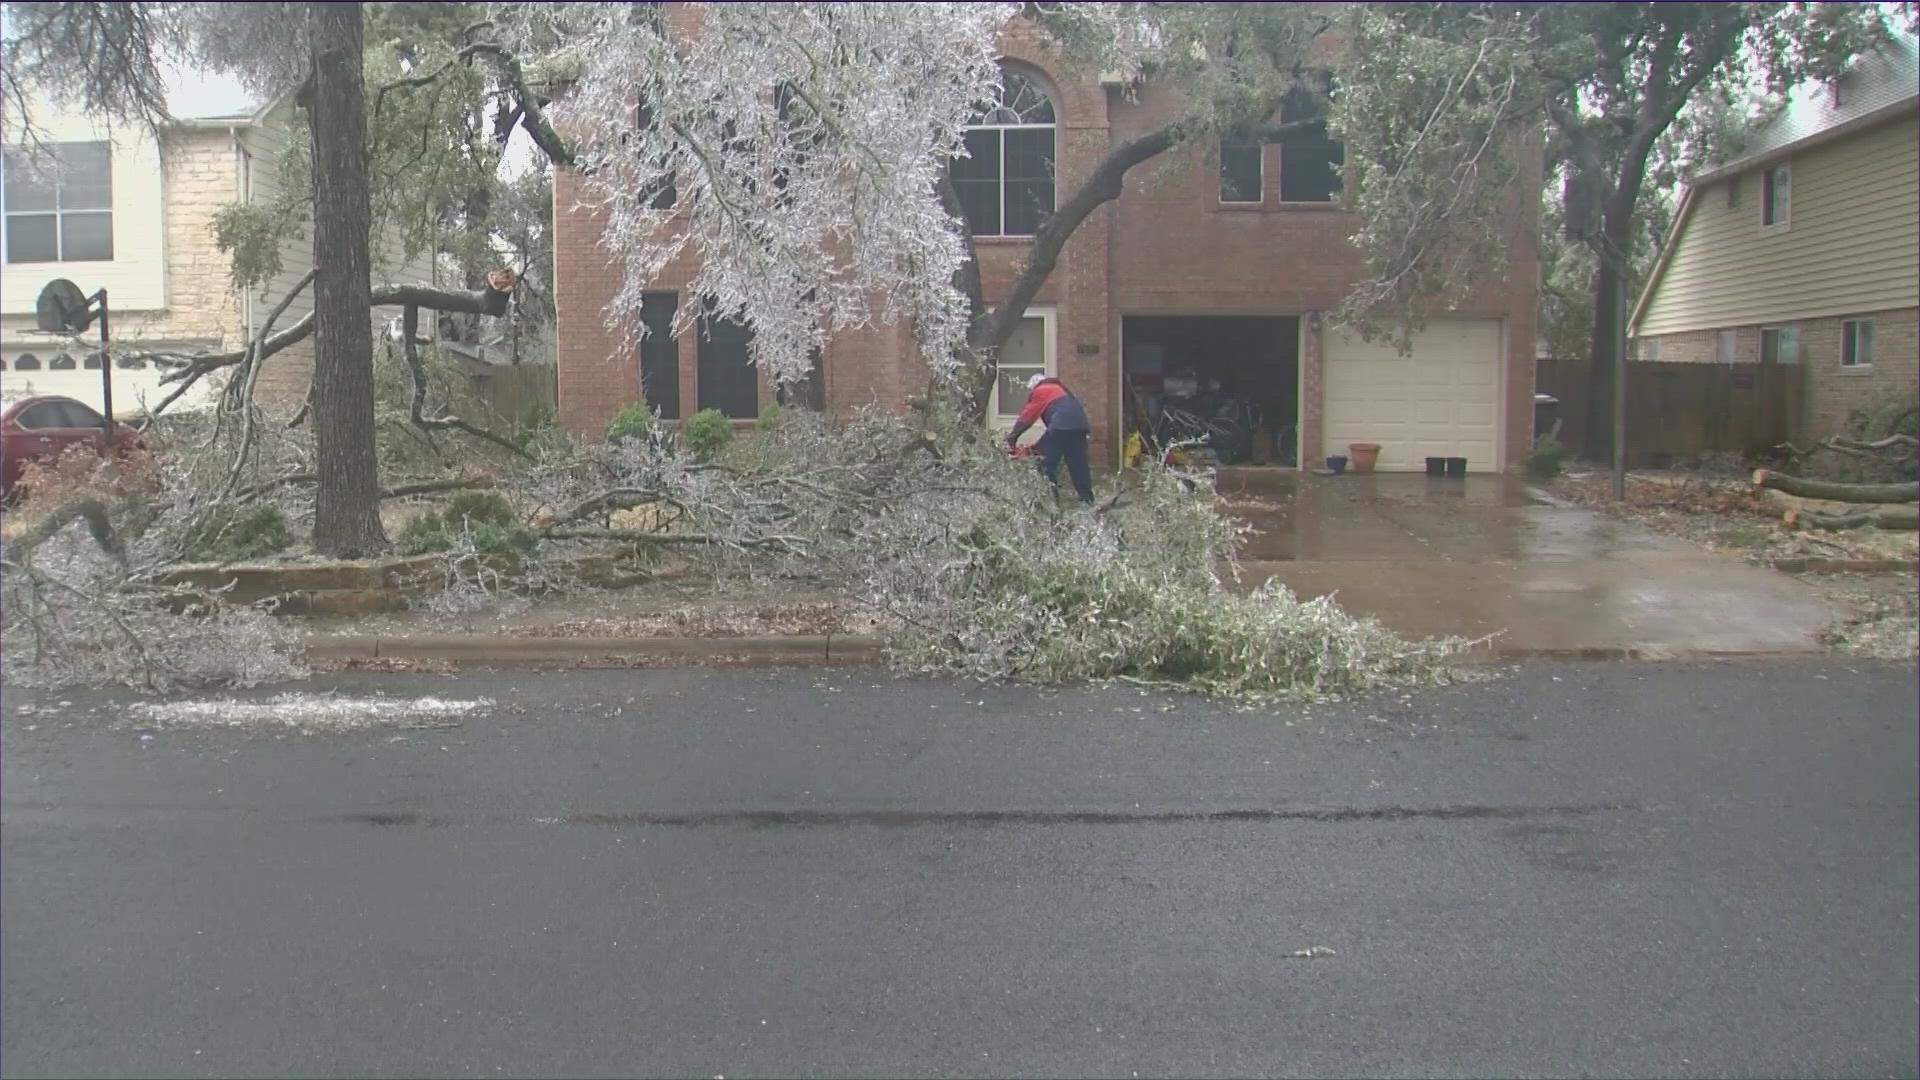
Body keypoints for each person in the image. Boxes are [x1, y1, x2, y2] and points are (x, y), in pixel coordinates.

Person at [1008, 373, 1094, 504]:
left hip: (1061, 427)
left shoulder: (1042, 390)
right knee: (1078, 465)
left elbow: (1027, 418)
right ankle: (1087, 500)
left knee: (1045, 464)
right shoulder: (1063, 390)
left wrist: (1011, 439)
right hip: (1080, 428)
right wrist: (1035, 447)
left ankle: (1050, 503)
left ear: (1034, 387)